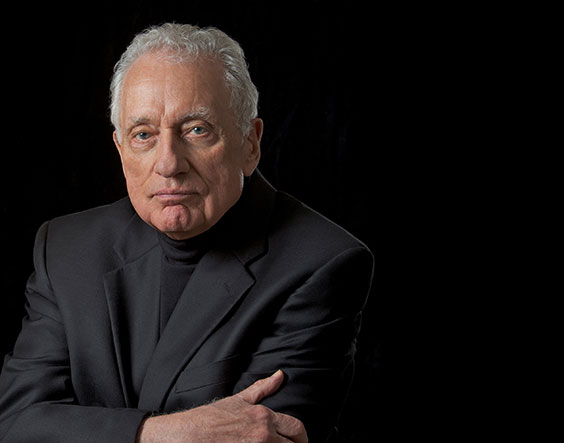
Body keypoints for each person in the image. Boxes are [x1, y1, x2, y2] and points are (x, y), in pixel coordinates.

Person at [0, 23, 373, 442]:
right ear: (121, 151)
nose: (168, 163)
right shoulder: (65, 249)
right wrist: (169, 432)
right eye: (144, 135)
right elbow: (17, 426)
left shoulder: (322, 263)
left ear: (250, 143)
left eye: (197, 129)